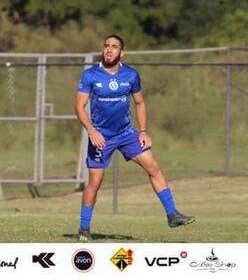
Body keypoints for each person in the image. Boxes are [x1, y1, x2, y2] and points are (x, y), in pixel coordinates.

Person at [75, 35, 195, 242]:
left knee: (153, 166)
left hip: (126, 133)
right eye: (106, 46)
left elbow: (140, 103)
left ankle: (172, 214)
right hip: (101, 136)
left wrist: (143, 131)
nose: (109, 50)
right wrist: (92, 132)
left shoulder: (131, 75)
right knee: (95, 180)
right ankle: (84, 228)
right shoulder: (90, 75)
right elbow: (79, 107)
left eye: (114, 47)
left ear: (122, 52)